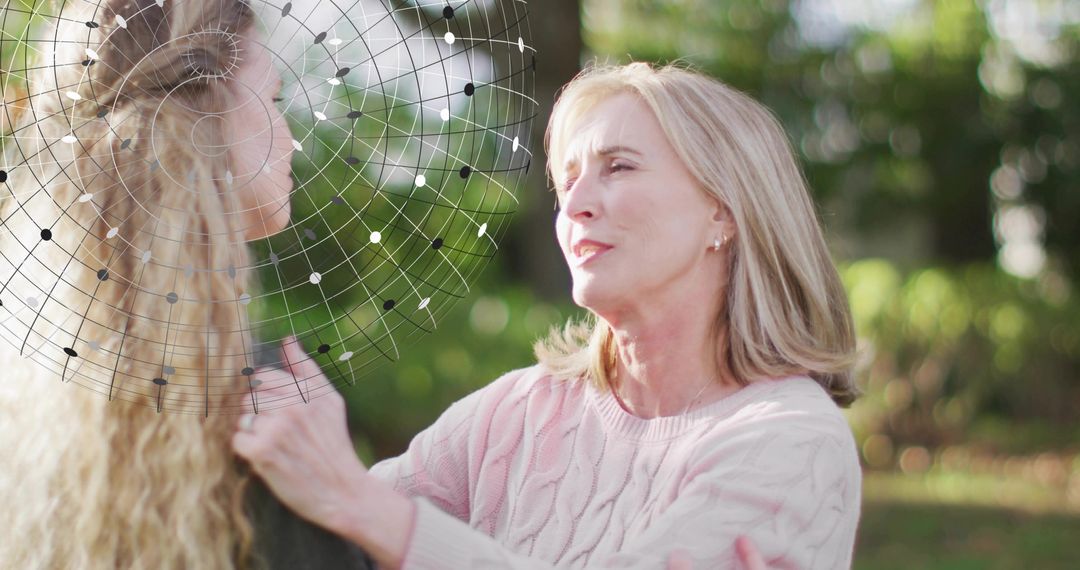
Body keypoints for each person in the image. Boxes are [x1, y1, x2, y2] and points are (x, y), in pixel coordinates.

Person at [232, 61, 863, 569]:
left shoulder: (792, 441)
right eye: (566, 183)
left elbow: (367, 514)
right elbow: (331, 540)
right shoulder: (523, 410)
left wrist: (361, 505)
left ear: (723, 211)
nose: (576, 205)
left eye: (618, 167)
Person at [0, 0, 369, 567]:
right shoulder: (272, 428)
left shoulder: (28, 416)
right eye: (271, 101)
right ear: (202, 124)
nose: (291, 139)